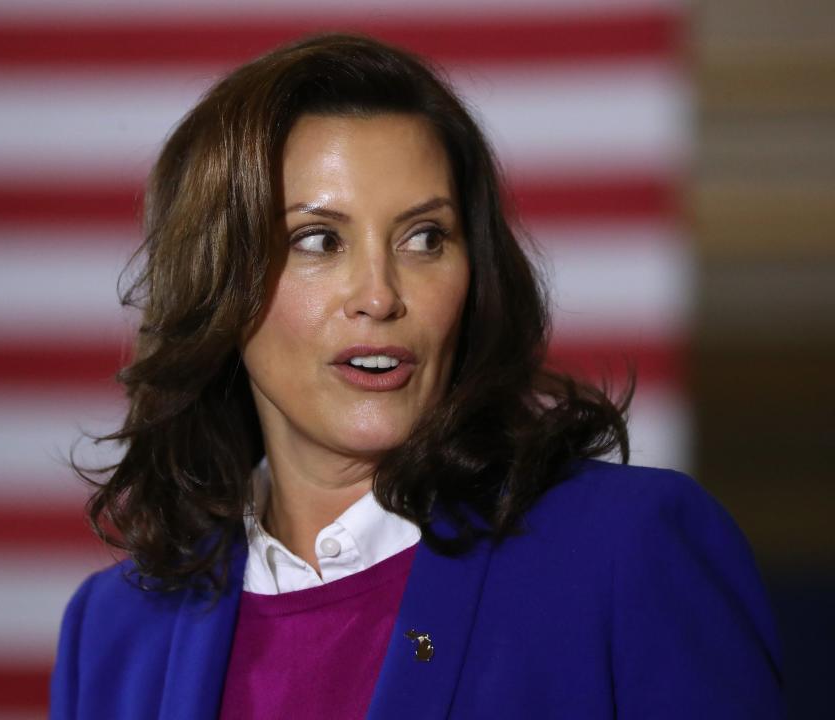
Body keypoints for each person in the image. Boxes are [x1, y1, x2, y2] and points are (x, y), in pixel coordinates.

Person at [50, 33, 783, 719]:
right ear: (217, 285)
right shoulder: (114, 632)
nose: (380, 294)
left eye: (426, 237)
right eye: (317, 240)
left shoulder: (627, 549)